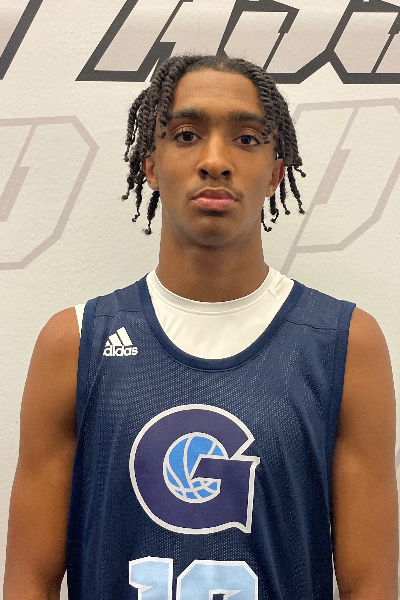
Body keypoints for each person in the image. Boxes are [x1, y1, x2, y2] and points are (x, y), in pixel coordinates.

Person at [3, 54, 398, 600]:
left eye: (247, 139)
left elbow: (371, 585)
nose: (215, 161)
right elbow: (29, 580)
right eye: (187, 135)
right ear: (150, 166)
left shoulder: (345, 344)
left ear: (276, 172)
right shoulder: (73, 343)